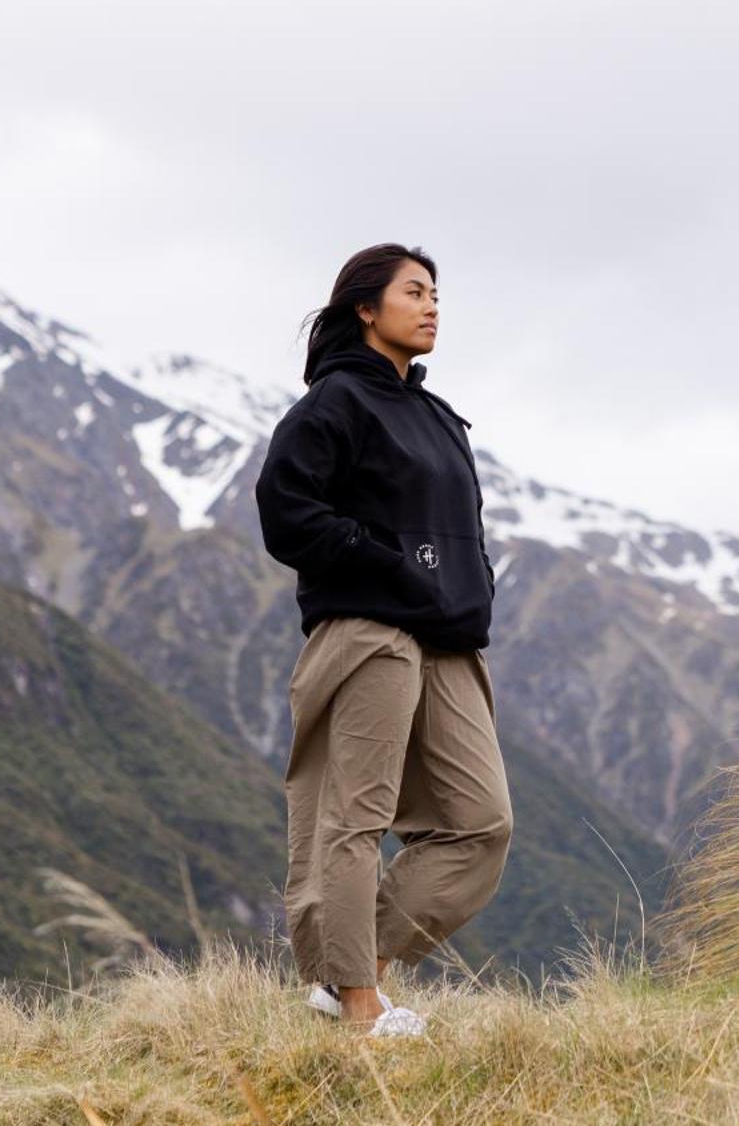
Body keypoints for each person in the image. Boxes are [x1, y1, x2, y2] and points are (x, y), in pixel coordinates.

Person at [254, 243, 512, 1037]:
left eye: (436, 293)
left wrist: (463, 587)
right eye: (414, 291)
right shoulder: (335, 403)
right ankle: (359, 1003)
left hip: (447, 638)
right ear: (366, 308)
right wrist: (382, 562)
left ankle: (350, 972)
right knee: (352, 821)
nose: (432, 305)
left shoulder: (435, 414)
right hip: (369, 629)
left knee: (480, 823)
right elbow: (284, 507)